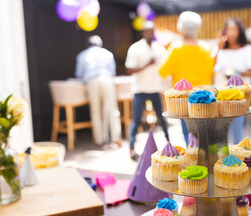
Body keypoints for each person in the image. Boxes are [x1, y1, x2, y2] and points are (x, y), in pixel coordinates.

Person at [159, 11, 215, 145]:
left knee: (189, 136)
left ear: (181, 27)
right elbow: (210, 72)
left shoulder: (176, 48)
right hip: (206, 97)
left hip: (185, 100)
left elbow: (162, 71)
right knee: (204, 134)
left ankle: (194, 163)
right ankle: (206, 161)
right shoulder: (206, 48)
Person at [125, 21, 170, 160]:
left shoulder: (160, 49)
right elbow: (129, 69)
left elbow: (165, 69)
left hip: (155, 89)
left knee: (162, 119)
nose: (150, 34)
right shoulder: (135, 48)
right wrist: (146, 64)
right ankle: (132, 148)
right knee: (137, 119)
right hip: (140, 89)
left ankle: (170, 145)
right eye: (147, 31)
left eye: (152, 31)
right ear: (143, 32)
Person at [214, 18, 251, 145]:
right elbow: (213, 66)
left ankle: (236, 161)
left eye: (234, 29)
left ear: (240, 31)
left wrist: (237, 71)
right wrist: (218, 47)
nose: (231, 33)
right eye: (229, 30)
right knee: (222, 131)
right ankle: (223, 161)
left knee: (237, 130)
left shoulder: (247, 50)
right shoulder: (222, 50)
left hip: (239, 97)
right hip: (222, 96)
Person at [75, 35, 121, 146]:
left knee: (95, 111)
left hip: (91, 82)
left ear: (87, 45)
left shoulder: (82, 55)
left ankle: (99, 140)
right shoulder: (107, 53)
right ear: (100, 44)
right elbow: (113, 72)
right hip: (106, 80)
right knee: (112, 109)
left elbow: (79, 75)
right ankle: (116, 138)